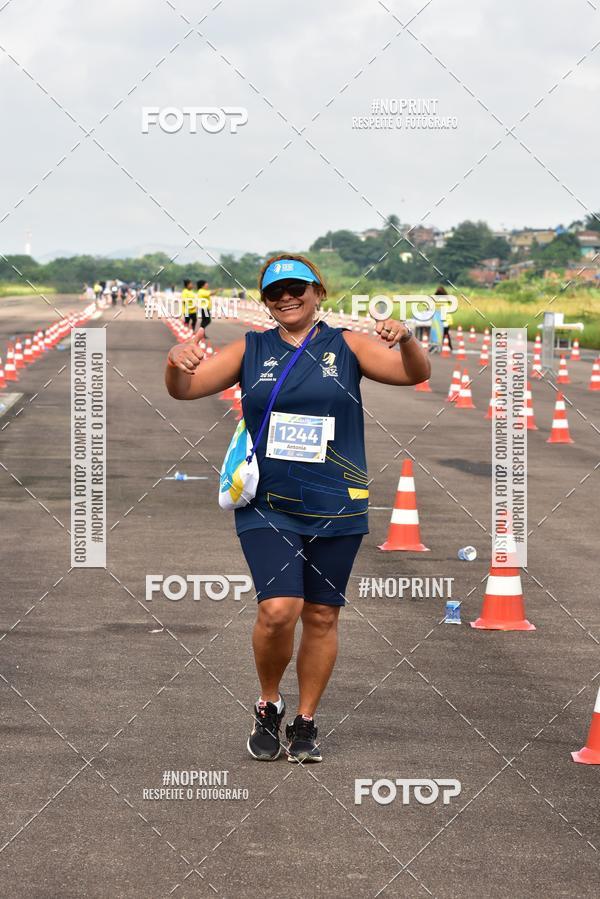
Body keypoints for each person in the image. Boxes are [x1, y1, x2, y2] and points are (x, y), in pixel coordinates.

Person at [165, 254, 430, 763]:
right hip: (268, 502)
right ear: (264, 301)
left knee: (323, 615)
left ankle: (305, 720)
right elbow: (186, 390)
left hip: (337, 501)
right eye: (274, 292)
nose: (286, 298)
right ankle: (269, 703)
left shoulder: (347, 345)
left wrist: (410, 340)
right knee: (277, 610)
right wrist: (174, 364)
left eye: (296, 288)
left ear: (318, 292)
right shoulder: (251, 348)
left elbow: (410, 374)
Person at [437, 284, 453, 349]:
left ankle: (447, 347)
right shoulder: (447, 299)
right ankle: (448, 346)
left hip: (444, 320)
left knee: (444, 334)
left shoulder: (440, 300)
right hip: (448, 319)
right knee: (445, 334)